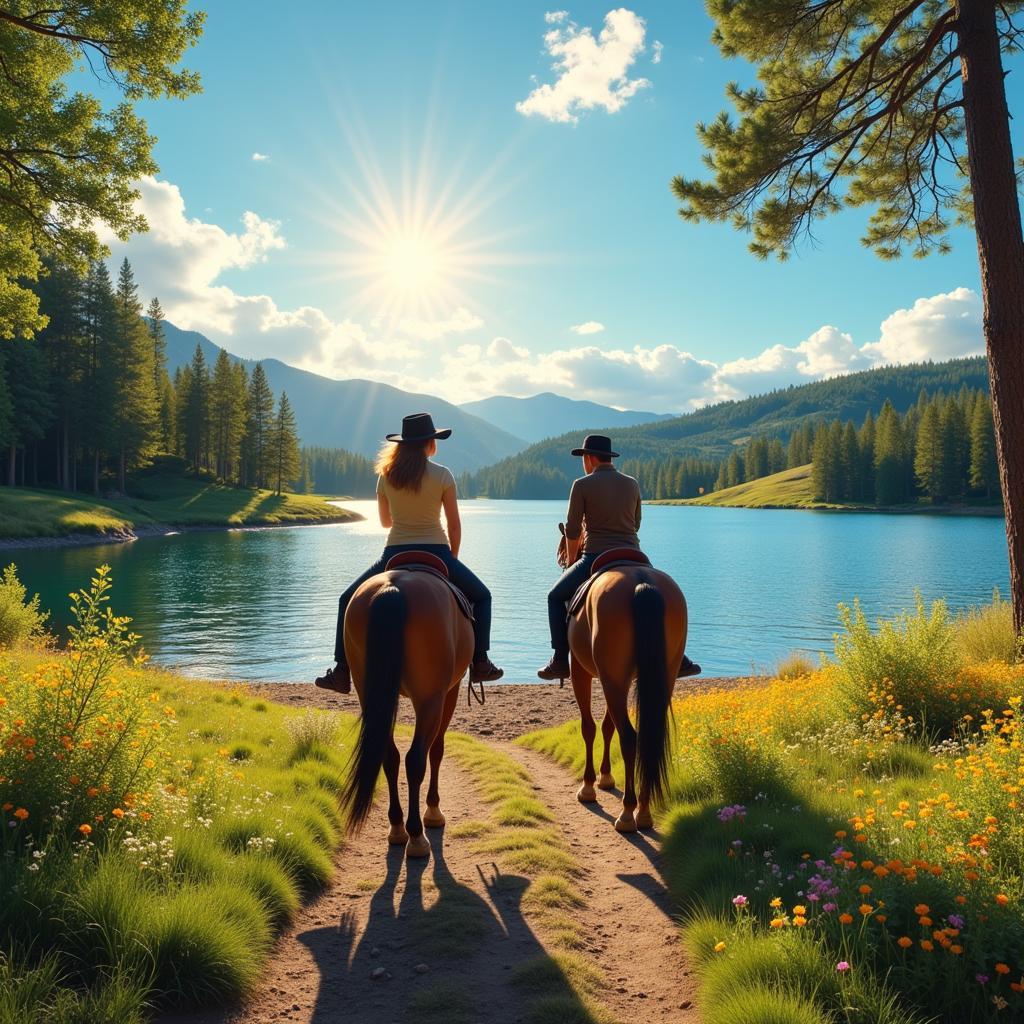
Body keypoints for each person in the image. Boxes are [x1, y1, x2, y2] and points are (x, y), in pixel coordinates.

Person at [316, 413, 503, 693]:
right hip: (437, 552)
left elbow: (385, 522)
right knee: (482, 596)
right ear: (430, 443)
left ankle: (342, 671)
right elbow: (454, 524)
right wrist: (452, 558)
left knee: (347, 599)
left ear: (403, 444)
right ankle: (481, 661)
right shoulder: (442, 475)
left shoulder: (386, 476)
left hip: (393, 552)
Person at [537, 434, 701, 681]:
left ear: (590, 458)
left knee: (554, 596)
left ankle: (560, 659)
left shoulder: (581, 485)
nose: (583, 463)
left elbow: (572, 532)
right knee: (660, 590)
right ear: (608, 457)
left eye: (583, 458)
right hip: (635, 554)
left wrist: (572, 563)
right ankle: (681, 657)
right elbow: (635, 524)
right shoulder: (631, 483)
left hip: (594, 556)